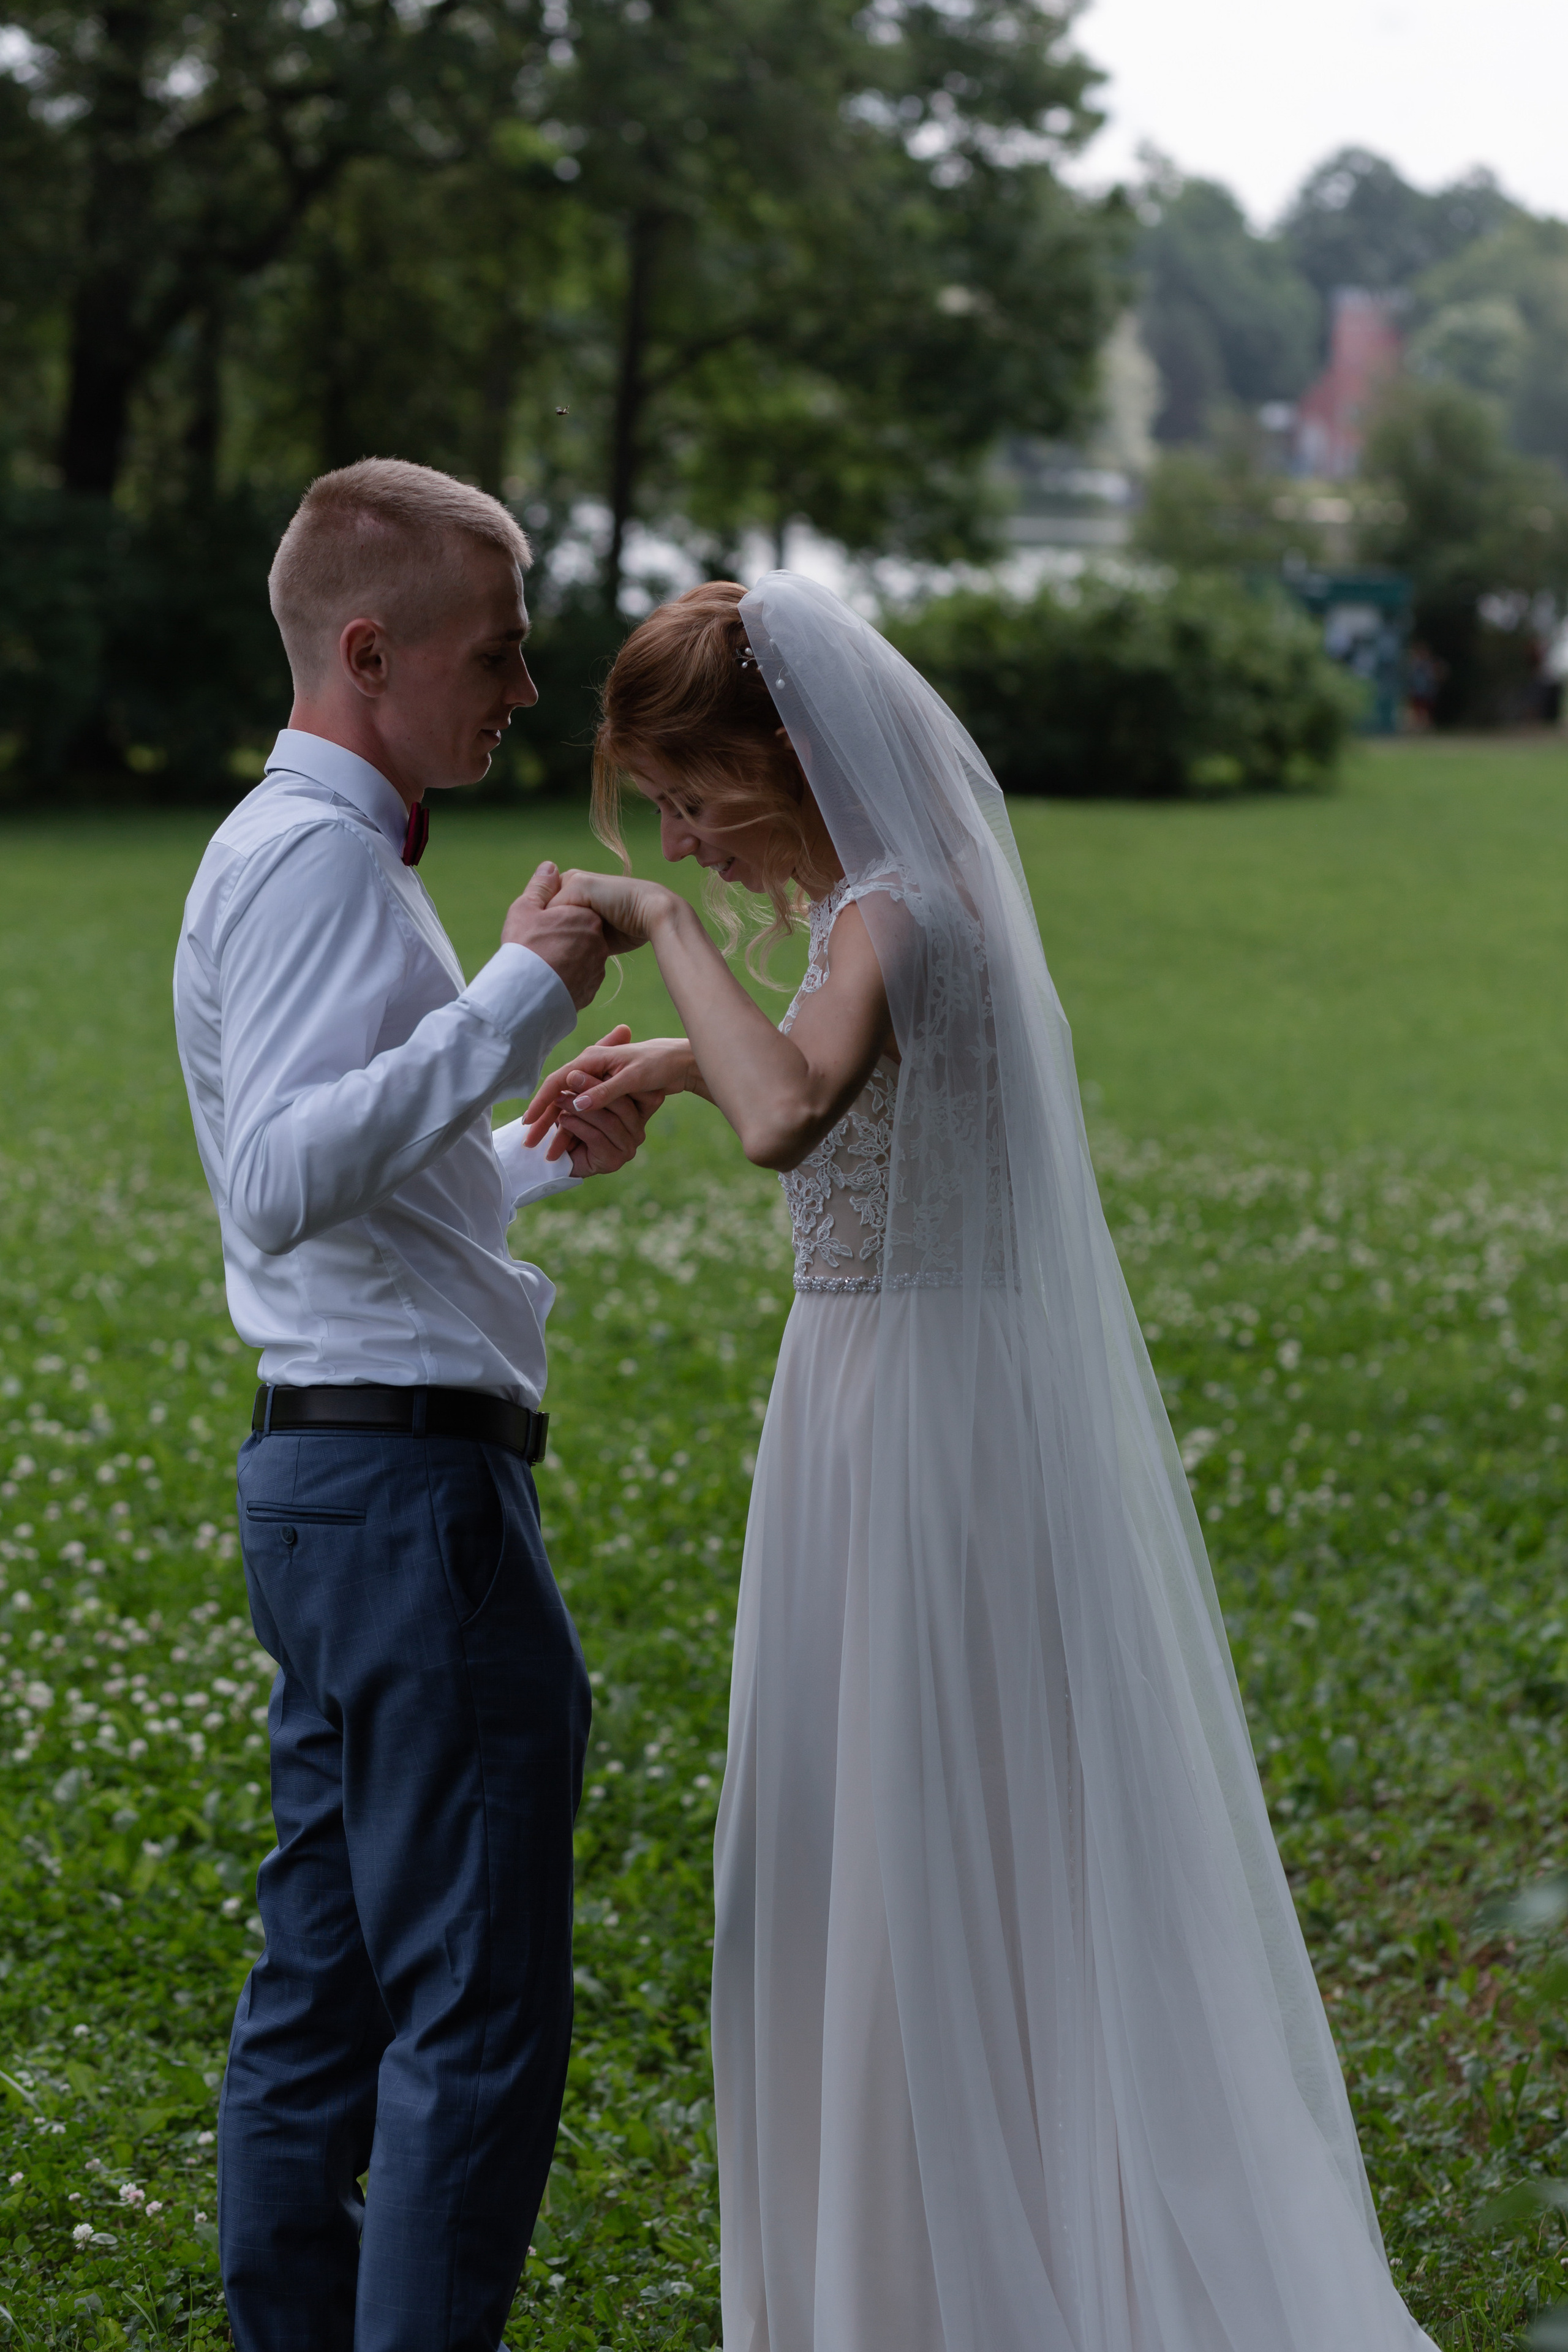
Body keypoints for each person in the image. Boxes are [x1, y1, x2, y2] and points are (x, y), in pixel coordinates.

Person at [524, 575, 1439, 2352]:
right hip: (889, 1398)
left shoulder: (897, 912)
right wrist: (670, 1064)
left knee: (912, 1820)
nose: (693, 836)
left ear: (794, 754)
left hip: (915, 1418)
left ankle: (931, 2274)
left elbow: (794, 1115)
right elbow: (816, 1091)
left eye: (701, 794)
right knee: (889, 1824)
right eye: (673, 818)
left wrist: (660, 937)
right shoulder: (899, 909)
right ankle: (921, 2242)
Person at [172, 459, 660, 2352]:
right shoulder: (310, 858)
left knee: (333, 1979)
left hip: (337, 1478)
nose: (526, 691)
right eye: (502, 651)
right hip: (405, 1507)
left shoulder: (298, 849)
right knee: (472, 2008)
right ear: (371, 651)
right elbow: (280, 1180)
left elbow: (345, 1210)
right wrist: (516, 1001)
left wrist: (528, 1156)